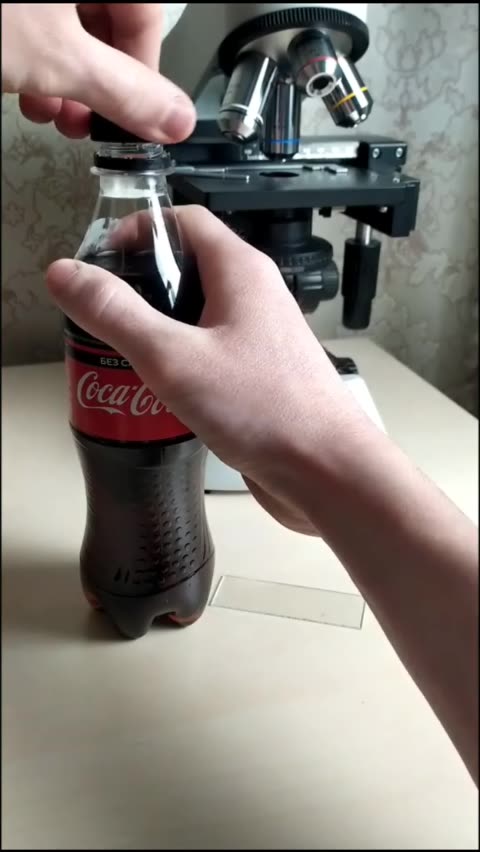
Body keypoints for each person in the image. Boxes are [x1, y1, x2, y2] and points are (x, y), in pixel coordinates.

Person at [2, 4, 478, 784]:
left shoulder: (142, 261)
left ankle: (156, 580)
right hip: (127, 545)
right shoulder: (121, 258)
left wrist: (319, 448)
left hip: (167, 543)